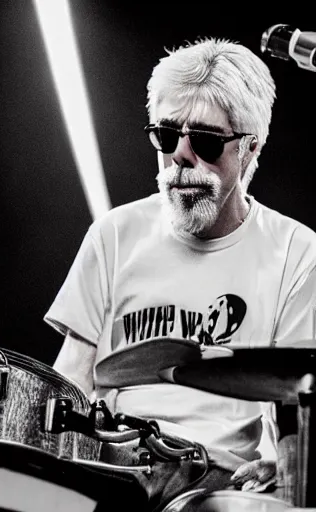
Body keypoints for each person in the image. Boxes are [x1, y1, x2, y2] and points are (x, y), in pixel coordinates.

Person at [44, 37, 316, 507]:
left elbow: (297, 402)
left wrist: (287, 471)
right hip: (114, 472)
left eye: (206, 142)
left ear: (250, 148)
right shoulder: (114, 234)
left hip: (221, 483)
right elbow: (65, 388)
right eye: (166, 136)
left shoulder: (296, 251)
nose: (179, 156)